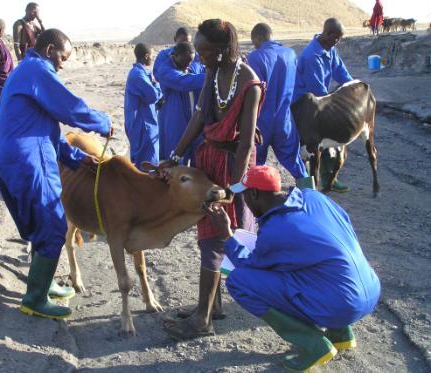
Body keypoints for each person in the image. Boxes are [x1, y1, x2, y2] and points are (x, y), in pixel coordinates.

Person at [205, 165, 381, 371]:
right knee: (323, 263)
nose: (246, 203)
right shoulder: (314, 197)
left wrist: (227, 235)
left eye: (245, 196)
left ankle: (313, 345)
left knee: (240, 280)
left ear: (253, 194)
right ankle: (341, 333)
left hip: (341, 304)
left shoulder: (276, 229)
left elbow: (248, 264)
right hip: (369, 289)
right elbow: (344, 226)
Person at [0, 29, 112, 319]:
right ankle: (35, 298)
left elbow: (48, 129)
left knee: (39, 222)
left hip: (14, 156)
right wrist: (102, 122)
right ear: (48, 50)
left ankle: (43, 285)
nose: (62, 64)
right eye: (62, 57)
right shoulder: (37, 70)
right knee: (53, 224)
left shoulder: (26, 71)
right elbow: (69, 107)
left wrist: (75, 158)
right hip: (28, 160)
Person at [162, 19, 264, 340]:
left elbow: (246, 142)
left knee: (216, 238)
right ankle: (213, 305)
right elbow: (198, 117)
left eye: (204, 51)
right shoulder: (211, 72)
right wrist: (176, 155)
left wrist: (234, 188)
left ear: (221, 51)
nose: (198, 57)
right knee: (207, 233)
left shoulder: (249, 83)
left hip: (232, 167)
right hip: (209, 159)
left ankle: (202, 320)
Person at [246, 23, 312, 189]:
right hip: (285, 119)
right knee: (295, 162)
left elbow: (253, 91)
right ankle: (311, 196)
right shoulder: (290, 54)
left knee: (255, 164)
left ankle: (255, 205)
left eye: (253, 41)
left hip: (261, 121)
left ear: (257, 38)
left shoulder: (254, 57)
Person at [292, 18, 353, 193]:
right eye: (336, 38)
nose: (338, 41)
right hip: (303, 105)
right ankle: (306, 186)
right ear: (327, 34)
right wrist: (338, 105)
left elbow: (341, 72)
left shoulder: (330, 49)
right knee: (307, 146)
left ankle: (328, 179)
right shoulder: (311, 55)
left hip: (318, 101)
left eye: (340, 38)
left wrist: (352, 86)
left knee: (326, 141)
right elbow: (317, 89)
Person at [156, 42, 205, 164]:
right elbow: (185, 82)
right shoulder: (165, 70)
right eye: (186, 61)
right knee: (177, 159)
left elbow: (199, 69)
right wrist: (212, 76)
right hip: (176, 120)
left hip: (193, 118)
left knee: (198, 158)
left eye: (191, 61)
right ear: (175, 56)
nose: (189, 65)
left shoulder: (188, 65)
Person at [124, 43, 163, 168]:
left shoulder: (139, 73)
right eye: (152, 55)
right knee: (148, 164)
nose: (152, 58)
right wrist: (156, 84)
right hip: (144, 126)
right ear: (146, 56)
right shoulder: (138, 75)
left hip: (143, 124)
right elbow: (153, 96)